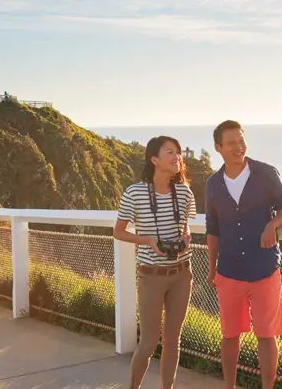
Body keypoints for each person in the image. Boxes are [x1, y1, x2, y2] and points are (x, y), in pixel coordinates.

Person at [205, 120, 282, 389]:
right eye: (232, 143)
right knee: (229, 334)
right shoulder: (212, 184)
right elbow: (213, 229)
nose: (239, 147)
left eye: (242, 140)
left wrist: (272, 224)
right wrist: (212, 268)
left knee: (267, 335)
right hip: (229, 270)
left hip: (264, 269)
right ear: (218, 147)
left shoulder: (266, 173)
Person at [113, 136, 197, 389]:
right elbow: (118, 232)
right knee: (148, 344)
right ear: (154, 159)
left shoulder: (184, 192)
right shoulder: (135, 192)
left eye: (178, 152)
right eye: (170, 152)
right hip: (151, 276)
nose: (177, 157)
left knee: (173, 341)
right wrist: (148, 240)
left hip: (182, 274)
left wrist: (185, 237)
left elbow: (186, 228)